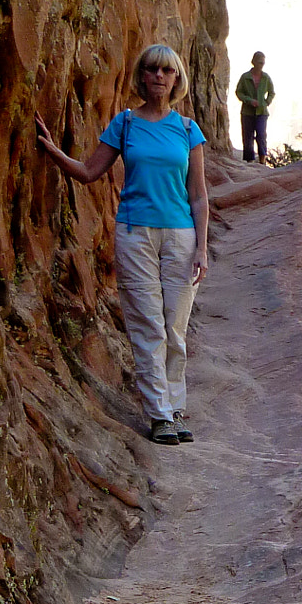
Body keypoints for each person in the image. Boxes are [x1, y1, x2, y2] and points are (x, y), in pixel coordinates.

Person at [35, 44, 208, 445]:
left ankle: (176, 407)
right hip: (135, 234)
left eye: (168, 71)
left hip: (181, 235)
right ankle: (160, 415)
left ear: (177, 79)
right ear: (141, 76)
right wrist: (53, 150)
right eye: (152, 70)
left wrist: (202, 247)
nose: (160, 77)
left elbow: (198, 196)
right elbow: (89, 172)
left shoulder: (187, 130)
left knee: (175, 326)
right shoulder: (125, 123)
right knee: (149, 324)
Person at [235, 51, 275, 163]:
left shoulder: (266, 77)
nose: (261, 65)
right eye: (259, 62)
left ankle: (262, 160)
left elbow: (272, 92)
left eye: (263, 63)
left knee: (261, 135)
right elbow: (239, 92)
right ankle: (249, 161)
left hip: (262, 112)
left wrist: (266, 102)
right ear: (253, 62)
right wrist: (249, 100)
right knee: (247, 136)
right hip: (247, 112)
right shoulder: (245, 77)